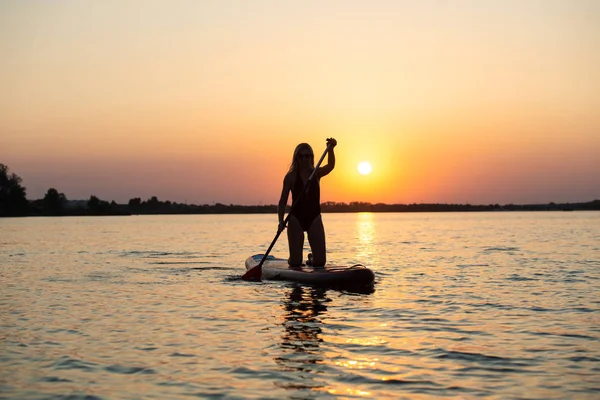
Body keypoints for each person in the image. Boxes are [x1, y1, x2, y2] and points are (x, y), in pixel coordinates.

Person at [277, 138, 337, 268]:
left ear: (311, 157)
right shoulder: (290, 177)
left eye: (307, 156)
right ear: (296, 158)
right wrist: (281, 221)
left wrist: (331, 149)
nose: (304, 159)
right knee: (296, 263)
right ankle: (292, 258)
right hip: (296, 218)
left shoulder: (316, 173)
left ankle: (311, 258)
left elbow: (330, 166)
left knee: (320, 262)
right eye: (301, 156)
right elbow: (282, 202)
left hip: (314, 217)